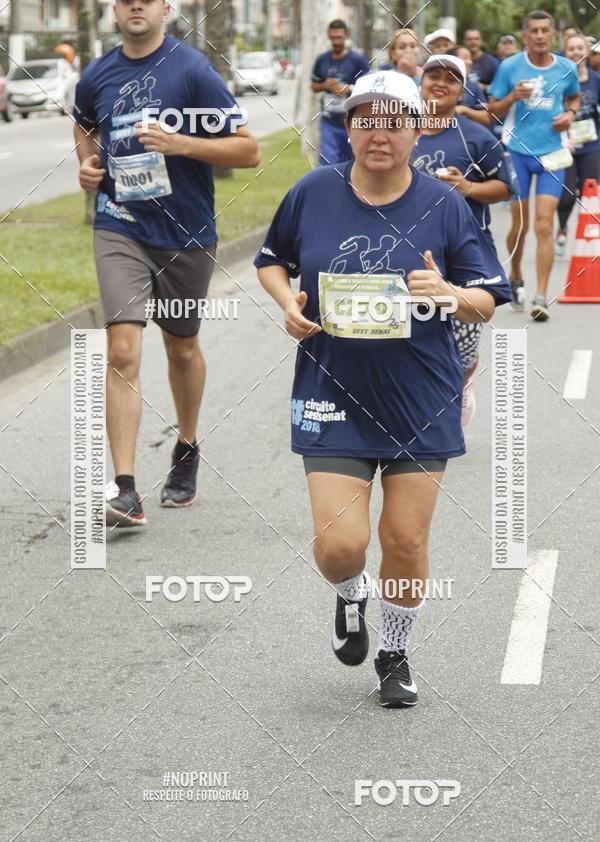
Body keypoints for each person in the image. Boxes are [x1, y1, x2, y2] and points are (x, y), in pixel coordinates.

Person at [255, 71, 511, 708]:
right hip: (331, 392)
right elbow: (271, 261)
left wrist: (448, 294)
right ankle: (351, 596)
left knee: (404, 540)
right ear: (348, 128)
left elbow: (487, 299)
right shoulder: (313, 191)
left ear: (417, 131)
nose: (379, 133)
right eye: (366, 120)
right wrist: (287, 304)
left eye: (394, 122)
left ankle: (395, 653)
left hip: (419, 397)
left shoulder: (444, 204)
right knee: (341, 546)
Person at [73, 0, 260, 527]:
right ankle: (124, 488)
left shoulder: (193, 70)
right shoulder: (96, 75)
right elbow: (84, 128)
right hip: (120, 225)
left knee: (181, 348)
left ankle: (186, 445)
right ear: (115, 10)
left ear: (165, 9)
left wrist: (180, 143)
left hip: (185, 234)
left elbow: (248, 151)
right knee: (122, 349)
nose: (136, 4)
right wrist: (88, 166)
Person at [413, 54, 513, 426]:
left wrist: (467, 187)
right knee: (412, 338)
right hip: (411, 253)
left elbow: (506, 188)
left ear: (462, 90)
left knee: (464, 350)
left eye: (451, 79)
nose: (440, 84)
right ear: (421, 82)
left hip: (465, 257)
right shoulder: (402, 131)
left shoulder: (476, 136)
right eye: (433, 75)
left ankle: (463, 381)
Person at [488, 9, 580, 322]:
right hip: (517, 152)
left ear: (552, 35)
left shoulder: (566, 68)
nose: (540, 36)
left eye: (545, 30)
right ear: (525, 35)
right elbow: (492, 110)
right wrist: (513, 96)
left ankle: (541, 297)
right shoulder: (510, 67)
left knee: (544, 224)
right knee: (520, 226)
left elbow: (574, 99)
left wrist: (570, 115)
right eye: (534, 31)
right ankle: (515, 273)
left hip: (552, 154)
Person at [556, 33, 600, 253]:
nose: (576, 52)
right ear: (565, 53)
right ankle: (562, 227)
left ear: (587, 52)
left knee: (589, 191)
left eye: (579, 48)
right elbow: (551, 114)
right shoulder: (559, 80)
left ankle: (589, 236)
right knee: (566, 197)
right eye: (571, 49)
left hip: (592, 145)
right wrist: (563, 139)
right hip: (566, 146)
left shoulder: (596, 79)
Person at [311, 19, 370, 165]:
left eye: (339, 37)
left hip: (353, 121)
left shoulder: (357, 60)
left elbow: (369, 86)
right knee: (327, 163)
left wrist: (348, 89)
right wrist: (324, 85)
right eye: (333, 38)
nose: (336, 42)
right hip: (328, 120)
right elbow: (313, 85)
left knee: (352, 163)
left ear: (347, 35)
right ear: (328, 35)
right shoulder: (322, 60)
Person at [454, 46, 491, 126]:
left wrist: (465, 110)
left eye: (470, 58)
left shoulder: (473, 86)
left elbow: (486, 118)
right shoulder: (440, 84)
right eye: (465, 58)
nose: (470, 62)